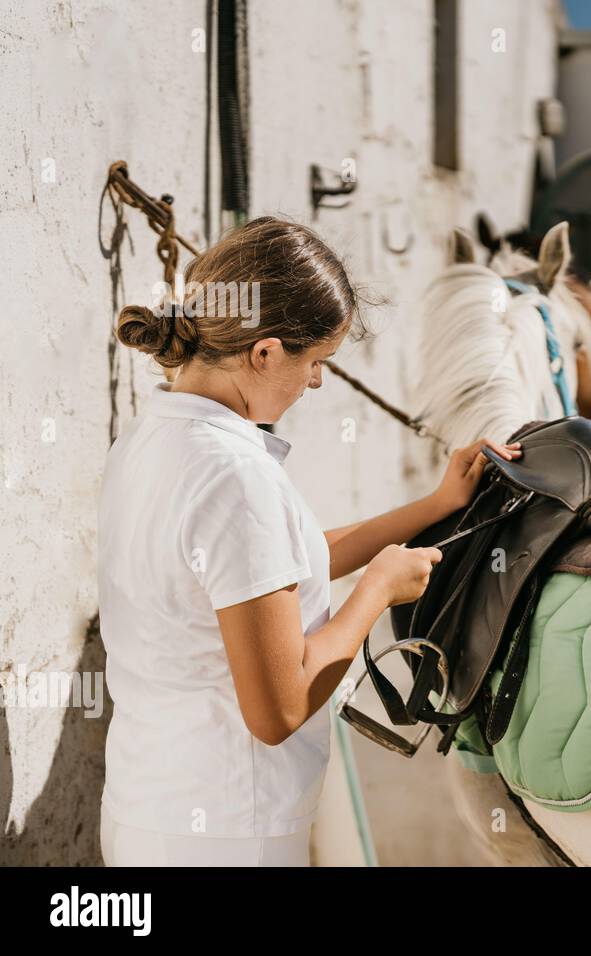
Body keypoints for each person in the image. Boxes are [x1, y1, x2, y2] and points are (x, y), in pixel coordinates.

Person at [97, 216, 518, 866]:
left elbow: (269, 571)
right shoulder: (235, 477)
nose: (316, 381)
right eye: (316, 361)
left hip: (146, 811)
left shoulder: (150, 436)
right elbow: (279, 709)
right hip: (231, 832)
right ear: (264, 353)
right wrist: (377, 590)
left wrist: (435, 505)